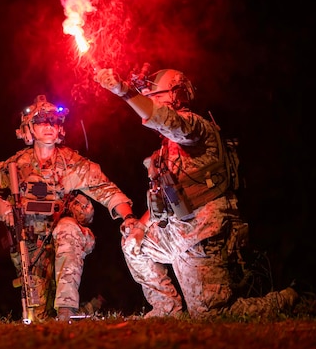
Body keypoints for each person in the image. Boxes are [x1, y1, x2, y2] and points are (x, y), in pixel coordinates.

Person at [94, 65, 299, 319]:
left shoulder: (195, 128)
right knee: (133, 243)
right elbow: (164, 201)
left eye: (157, 96)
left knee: (212, 315)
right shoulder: (165, 150)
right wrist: (139, 228)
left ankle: (288, 301)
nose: (151, 102)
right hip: (176, 232)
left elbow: (166, 120)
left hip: (203, 233)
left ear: (177, 95)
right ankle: (166, 310)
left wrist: (123, 91)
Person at [0, 94, 136, 322]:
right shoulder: (15, 165)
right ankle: (68, 314)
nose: (49, 126)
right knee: (38, 316)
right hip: (31, 245)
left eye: (54, 122)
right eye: (42, 122)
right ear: (29, 128)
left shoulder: (72, 162)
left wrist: (128, 217)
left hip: (65, 239)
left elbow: (107, 191)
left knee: (68, 228)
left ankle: (66, 312)